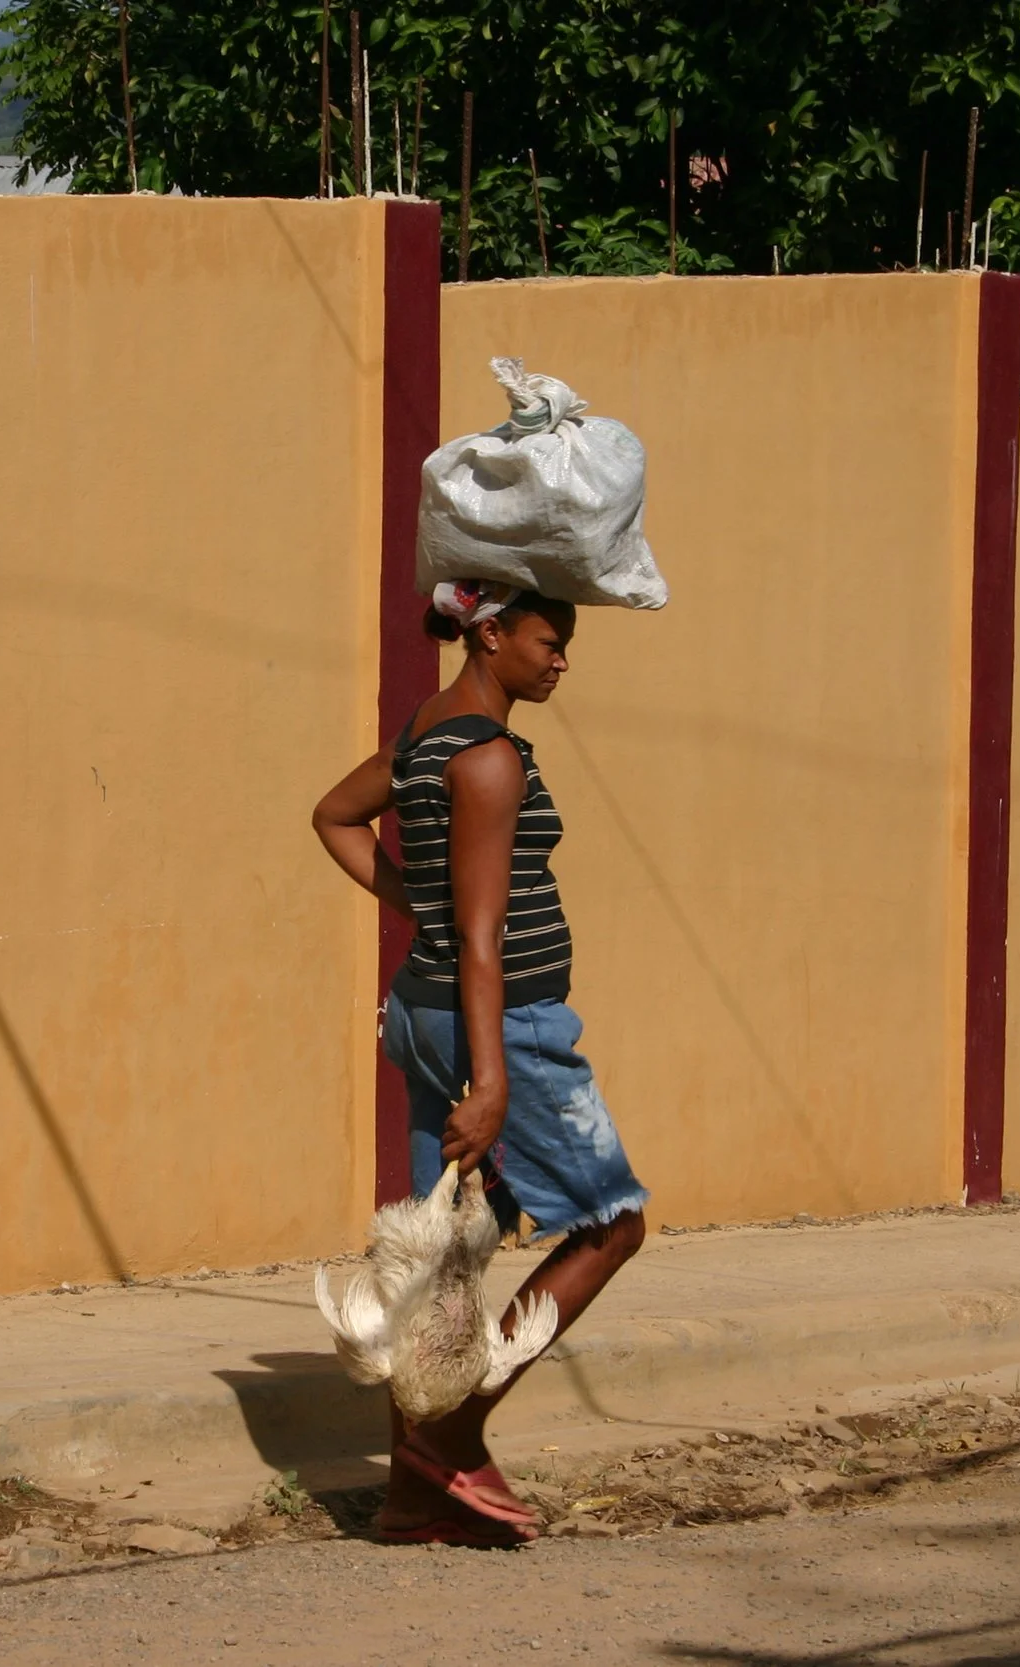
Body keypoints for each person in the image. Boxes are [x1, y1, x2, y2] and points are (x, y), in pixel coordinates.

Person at [311, 577, 649, 1544]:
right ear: (490, 633)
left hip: (421, 1007)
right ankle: (449, 1433)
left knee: (440, 1252)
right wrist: (496, 1079)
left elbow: (336, 814)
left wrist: (413, 910)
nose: (562, 659)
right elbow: (486, 934)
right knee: (613, 1223)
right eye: (548, 640)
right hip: (500, 1021)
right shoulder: (491, 757)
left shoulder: (428, 729)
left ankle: (411, 1502)